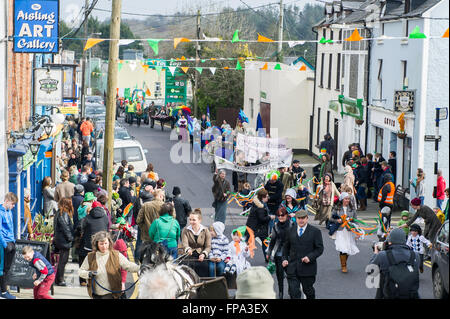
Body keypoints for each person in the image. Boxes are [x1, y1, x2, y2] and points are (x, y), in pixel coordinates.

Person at [79, 231, 140, 299]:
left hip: (112, 294)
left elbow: (128, 265)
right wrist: (89, 274)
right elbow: (80, 271)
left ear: (109, 243)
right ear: (96, 244)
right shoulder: (90, 256)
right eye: (101, 244)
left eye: (106, 243)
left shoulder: (116, 255)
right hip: (95, 294)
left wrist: (140, 268)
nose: (104, 246)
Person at [282, 210, 324, 299]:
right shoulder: (290, 231)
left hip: (308, 268)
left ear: (307, 218)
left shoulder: (315, 231)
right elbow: (285, 248)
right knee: (294, 292)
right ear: (295, 219)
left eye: (303, 218)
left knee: (308, 291)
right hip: (292, 268)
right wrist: (284, 259)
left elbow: (319, 249)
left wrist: (310, 257)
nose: (301, 220)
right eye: (299, 218)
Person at [368, 228, 420, 299]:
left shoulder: (383, 255)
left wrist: (375, 254)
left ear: (390, 241)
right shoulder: (415, 255)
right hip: (410, 295)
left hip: (387, 295)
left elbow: (370, 272)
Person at [78, 201, 109, 286]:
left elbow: (79, 227)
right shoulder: (105, 218)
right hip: (101, 245)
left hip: (88, 245)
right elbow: (108, 229)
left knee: (83, 259)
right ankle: (98, 280)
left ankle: (83, 280)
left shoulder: (87, 217)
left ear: (91, 208)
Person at [267, 207, 295, 299]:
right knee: (279, 275)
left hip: (290, 253)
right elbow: (273, 240)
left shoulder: (292, 225)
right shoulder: (275, 226)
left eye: (282, 215)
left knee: (290, 274)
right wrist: (269, 252)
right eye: (278, 215)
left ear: (286, 215)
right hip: (279, 253)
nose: (280, 217)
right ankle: (281, 293)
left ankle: (291, 290)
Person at [329, 192, 360, 273]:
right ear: (342, 199)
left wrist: (357, 232)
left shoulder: (352, 209)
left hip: (349, 231)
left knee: (348, 248)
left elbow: (356, 221)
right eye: (346, 199)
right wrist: (337, 220)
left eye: (348, 199)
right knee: (342, 248)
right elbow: (330, 218)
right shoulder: (337, 208)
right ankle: (344, 266)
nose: (347, 200)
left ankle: (344, 262)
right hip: (340, 230)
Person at [181, 209, 211, 278]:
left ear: (199, 220)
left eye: (194, 220)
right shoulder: (185, 230)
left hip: (201, 255)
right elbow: (184, 243)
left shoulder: (205, 230)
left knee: (204, 266)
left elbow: (208, 246)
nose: (191, 222)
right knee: (186, 266)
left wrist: (203, 254)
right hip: (189, 254)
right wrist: (188, 249)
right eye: (190, 219)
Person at [246, 189, 274, 262]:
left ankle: (267, 258)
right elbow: (262, 218)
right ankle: (267, 258)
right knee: (248, 244)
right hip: (256, 228)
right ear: (262, 197)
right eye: (267, 197)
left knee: (264, 243)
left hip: (254, 227)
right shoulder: (260, 207)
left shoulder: (258, 203)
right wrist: (270, 217)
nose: (268, 198)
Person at [0, 192, 18, 299]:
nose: (13, 206)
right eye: (12, 203)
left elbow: (11, 227)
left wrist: (13, 241)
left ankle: (3, 290)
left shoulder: (9, 212)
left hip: (11, 241)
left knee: (7, 268)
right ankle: (3, 291)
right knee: (2, 268)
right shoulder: (0, 213)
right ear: (6, 201)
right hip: (3, 243)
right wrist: (5, 244)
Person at [53, 198, 74, 286]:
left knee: (61, 260)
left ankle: (58, 279)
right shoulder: (64, 214)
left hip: (59, 239)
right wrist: (70, 238)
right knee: (63, 261)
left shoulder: (58, 213)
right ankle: (60, 279)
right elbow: (65, 227)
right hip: (64, 241)